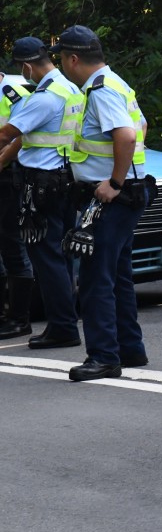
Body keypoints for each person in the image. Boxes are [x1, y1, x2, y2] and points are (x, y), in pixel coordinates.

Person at [54, 25, 149, 381]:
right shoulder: (117, 84)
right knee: (118, 275)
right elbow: (142, 127)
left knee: (95, 278)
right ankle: (129, 348)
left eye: (62, 58)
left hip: (113, 196)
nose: (63, 64)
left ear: (73, 59)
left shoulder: (101, 91)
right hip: (127, 194)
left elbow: (125, 135)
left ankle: (104, 357)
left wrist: (114, 182)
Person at [0, 37, 84, 347]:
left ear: (26, 66)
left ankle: (62, 327)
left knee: (45, 257)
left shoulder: (45, 97)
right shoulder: (70, 89)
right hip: (64, 180)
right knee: (59, 256)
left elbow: (8, 134)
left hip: (42, 184)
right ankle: (63, 322)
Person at [0, 69, 35, 339]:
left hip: (9, 176)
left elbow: (26, 135)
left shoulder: (15, 94)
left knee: (12, 244)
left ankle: (19, 318)